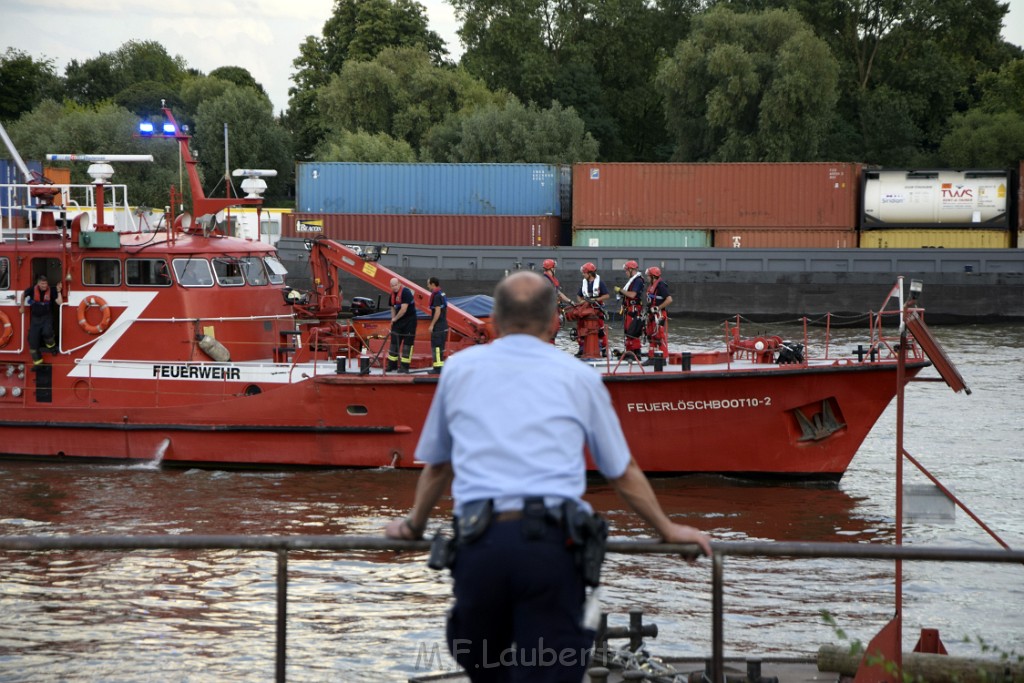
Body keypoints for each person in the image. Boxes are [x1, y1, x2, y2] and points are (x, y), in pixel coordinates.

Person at [384, 270, 711, 683]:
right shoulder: (579, 376)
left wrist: (414, 525)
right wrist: (667, 529)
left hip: (480, 549)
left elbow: (438, 465)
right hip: (551, 551)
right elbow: (621, 472)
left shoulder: (458, 370)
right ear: (556, 322)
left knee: (483, 663)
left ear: (494, 322)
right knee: (552, 668)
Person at [20, 274, 63, 365]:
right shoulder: (32, 289)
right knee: (32, 342)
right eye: (42, 284)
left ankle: (52, 348)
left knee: (47, 332)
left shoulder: (51, 291)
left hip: (47, 317)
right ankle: (38, 364)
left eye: (46, 284)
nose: (44, 286)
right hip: (35, 319)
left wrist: (59, 291)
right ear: (38, 283)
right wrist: (22, 307)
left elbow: (60, 302)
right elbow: (23, 295)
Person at [576, 262, 609, 357]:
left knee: (600, 330)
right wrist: (581, 302)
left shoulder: (600, 283)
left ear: (589, 273)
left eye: (584, 273)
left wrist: (596, 299)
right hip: (586, 310)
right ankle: (582, 348)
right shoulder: (584, 283)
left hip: (597, 309)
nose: (583, 275)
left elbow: (606, 295)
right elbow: (579, 295)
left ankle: (603, 349)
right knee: (582, 329)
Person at [387, 277, 417, 373]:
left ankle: (404, 367)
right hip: (398, 321)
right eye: (392, 286)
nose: (394, 287)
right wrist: (393, 320)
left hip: (409, 321)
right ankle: (392, 365)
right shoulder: (392, 295)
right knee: (394, 343)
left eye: (395, 285)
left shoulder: (406, 292)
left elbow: (403, 309)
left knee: (407, 345)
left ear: (399, 284)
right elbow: (392, 308)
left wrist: (395, 318)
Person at [643, 266, 672, 365]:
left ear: (653, 277)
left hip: (658, 314)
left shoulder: (661, 286)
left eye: (648, 276)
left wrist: (657, 308)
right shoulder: (652, 286)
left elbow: (669, 300)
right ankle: (652, 357)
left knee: (659, 336)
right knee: (651, 335)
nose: (647, 278)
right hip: (651, 314)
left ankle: (663, 358)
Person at [617, 260, 645, 362]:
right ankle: (629, 352)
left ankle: (634, 352)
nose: (625, 273)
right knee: (628, 331)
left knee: (633, 331)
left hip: (633, 310)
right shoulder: (633, 280)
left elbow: (633, 294)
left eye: (626, 270)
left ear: (631, 270)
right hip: (629, 309)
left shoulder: (638, 280)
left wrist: (621, 290)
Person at [541, 258, 571, 343]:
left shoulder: (552, 280)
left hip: (553, 308)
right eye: (554, 268)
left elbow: (558, 292)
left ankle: (550, 346)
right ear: (551, 268)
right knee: (551, 329)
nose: (555, 270)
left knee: (554, 328)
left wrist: (570, 302)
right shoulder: (546, 280)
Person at [427, 276, 448, 375]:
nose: (427, 286)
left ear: (432, 284)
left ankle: (437, 368)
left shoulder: (436, 296)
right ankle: (439, 367)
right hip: (443, 324)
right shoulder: (441, 293)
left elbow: (437, 311)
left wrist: (432, 325)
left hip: (439, 325)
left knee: (436, 347)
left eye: (428, 284)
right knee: (440, 347)